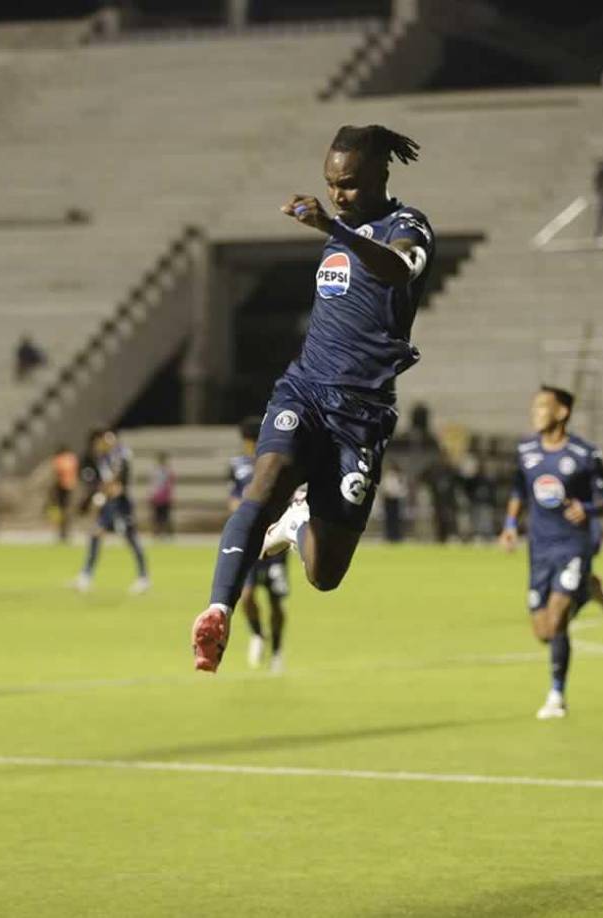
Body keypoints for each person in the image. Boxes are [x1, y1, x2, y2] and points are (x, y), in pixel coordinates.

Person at [190, 124, 434, 672]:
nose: (336, 195)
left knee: (324, 575)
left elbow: (396, 270)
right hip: (304, 388)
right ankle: (217, 610)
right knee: (264, 482)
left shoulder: (407, 226)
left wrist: (333, 228)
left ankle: (299, 524)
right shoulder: (342, 226)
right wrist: (336, 227)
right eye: (329, 184)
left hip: (362, 416)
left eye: (347, 184)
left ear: (379, 174)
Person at [499, 386, 603, 720]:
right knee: (542, 632)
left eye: (542, 406)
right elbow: (519, 490)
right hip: (539, 549)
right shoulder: (526, 450)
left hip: (573, 545)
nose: (535, 412)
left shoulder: (585, 454)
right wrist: (510, 524)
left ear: (562, 412)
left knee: (556, 621)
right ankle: (588, 589)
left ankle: (556, 696)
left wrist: (588, 509)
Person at [228, 416, 290, 672]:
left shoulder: (277, 462)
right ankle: (257, 635)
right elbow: (232, 497)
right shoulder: (238, 465)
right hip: (250, 540)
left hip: (274, 539)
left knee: (276, 600)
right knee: (247, 595)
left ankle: (277, 651)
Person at [74, 429, 149, 594]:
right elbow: (105, 484)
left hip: (121, 506)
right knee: (95, 535)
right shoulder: (102, 459)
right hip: (109, 505)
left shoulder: (119, 457)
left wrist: (103, 495)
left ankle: (143, 577)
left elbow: (117, 485)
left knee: (131, 538)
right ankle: (86, 575)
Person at [50, 445, 79, 543]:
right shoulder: (72, 458)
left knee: (62, 510)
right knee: (65, 510)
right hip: (69, 486)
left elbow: (57, 473)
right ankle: (64, 532)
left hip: (62, 487)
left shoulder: (59, 459)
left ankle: (63, 532)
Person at [150, 452, 176, 537]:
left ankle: (167, 533)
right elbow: (154, 484)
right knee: (158, 516)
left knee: (165, 516)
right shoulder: (157, 471)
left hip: (164, 496)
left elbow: (170, 484)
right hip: (158, 496)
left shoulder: (167, 471)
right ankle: (158, 532)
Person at [380, 461, 407, 543]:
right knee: (390, 518)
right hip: (389, 499)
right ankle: (390, 535)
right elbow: (385, 488)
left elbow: (402, 488)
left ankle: (396, 535)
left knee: (396, 518)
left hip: (396, 499)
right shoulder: (388, 476)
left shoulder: (400, 477)